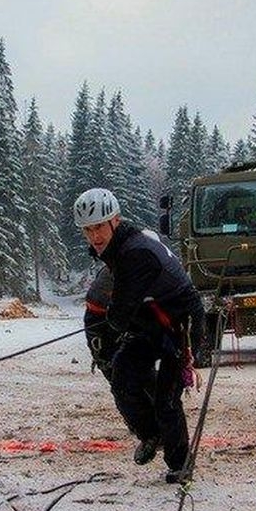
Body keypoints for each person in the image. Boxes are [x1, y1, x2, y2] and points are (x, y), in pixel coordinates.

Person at [73, 188, 204, 484]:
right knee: (122, 378)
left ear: (115, 221)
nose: (94, 236)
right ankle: (151, 434)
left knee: (166, 399)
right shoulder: (120, 247)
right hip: (150, 322)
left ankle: (180, 463)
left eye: (99, 227)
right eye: (87, 230)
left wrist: (103, 326)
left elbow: (119, 313)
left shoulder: (135, 252)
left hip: (181, 324)